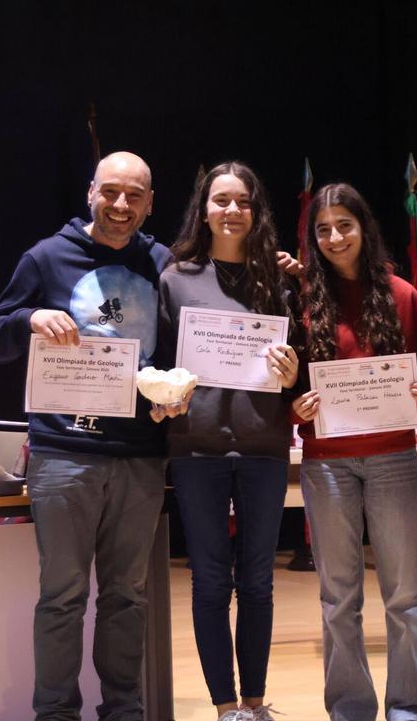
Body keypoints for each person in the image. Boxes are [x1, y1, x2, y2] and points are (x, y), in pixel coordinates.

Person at [0, 151, 172, 721]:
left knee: (127, 598)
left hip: (140, 456)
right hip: (64, 456)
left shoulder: (164, 263)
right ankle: (55, 713)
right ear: (91, 192)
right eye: (110, 192)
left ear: (149, 203)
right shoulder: (46, 257)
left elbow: (186, 347)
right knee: (62, 598)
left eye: (134, 195)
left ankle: (124, 711)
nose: (120, 205)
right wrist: (29, 319)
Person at [153, 161, 300, 721]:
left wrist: (292, 373)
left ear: (256, 210)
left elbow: (300, 368)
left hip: (264, 446)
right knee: (211, 580)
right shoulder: (175, 278)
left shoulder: (279, 281)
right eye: (221, 200)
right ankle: (224, 706)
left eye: (243, 201)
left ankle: (257, 703)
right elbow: (160, 366)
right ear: (204, 208)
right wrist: (163, 395)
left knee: (258, 582)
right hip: (197, 447)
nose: (232, 210)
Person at [290, 183, 417, 721]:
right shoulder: (301, 299)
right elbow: (283, 380)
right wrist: (296, 408)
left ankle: (411, 709)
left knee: (404, 596)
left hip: (394, 459)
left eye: (344, 226)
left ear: (364, 229)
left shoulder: (400, 293)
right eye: (323, 229)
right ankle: (351, 710)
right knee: (338, 600)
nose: (334, 237)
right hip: (326, 463)